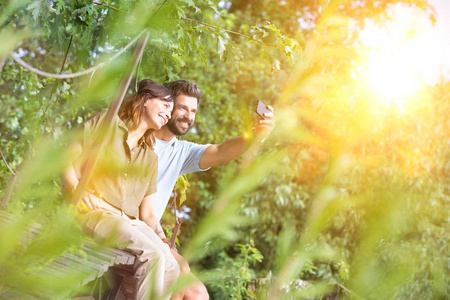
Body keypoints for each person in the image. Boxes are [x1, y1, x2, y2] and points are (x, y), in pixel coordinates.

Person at [150, 79, 275, 299]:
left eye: (193, 111)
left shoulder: (181, 151)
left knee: (198, 294)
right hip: (137, 230)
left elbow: (220, 151)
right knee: (181, 277)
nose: (188, 116)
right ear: (167, 104)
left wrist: (255, 136)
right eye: (183, 108)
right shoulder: (141, 139)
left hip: (154, 236)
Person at [62, 79, 179, 300]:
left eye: (171, 110)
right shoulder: (107, 122)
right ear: (146, 100)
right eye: (165, 105)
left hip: (132, 222)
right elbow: (67, 157)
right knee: (152, 255)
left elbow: (149, 214)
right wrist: (77, 190)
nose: (168, 113)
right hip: (99, 211)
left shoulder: (150, 157)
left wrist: (162, 237)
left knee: (171, 265)